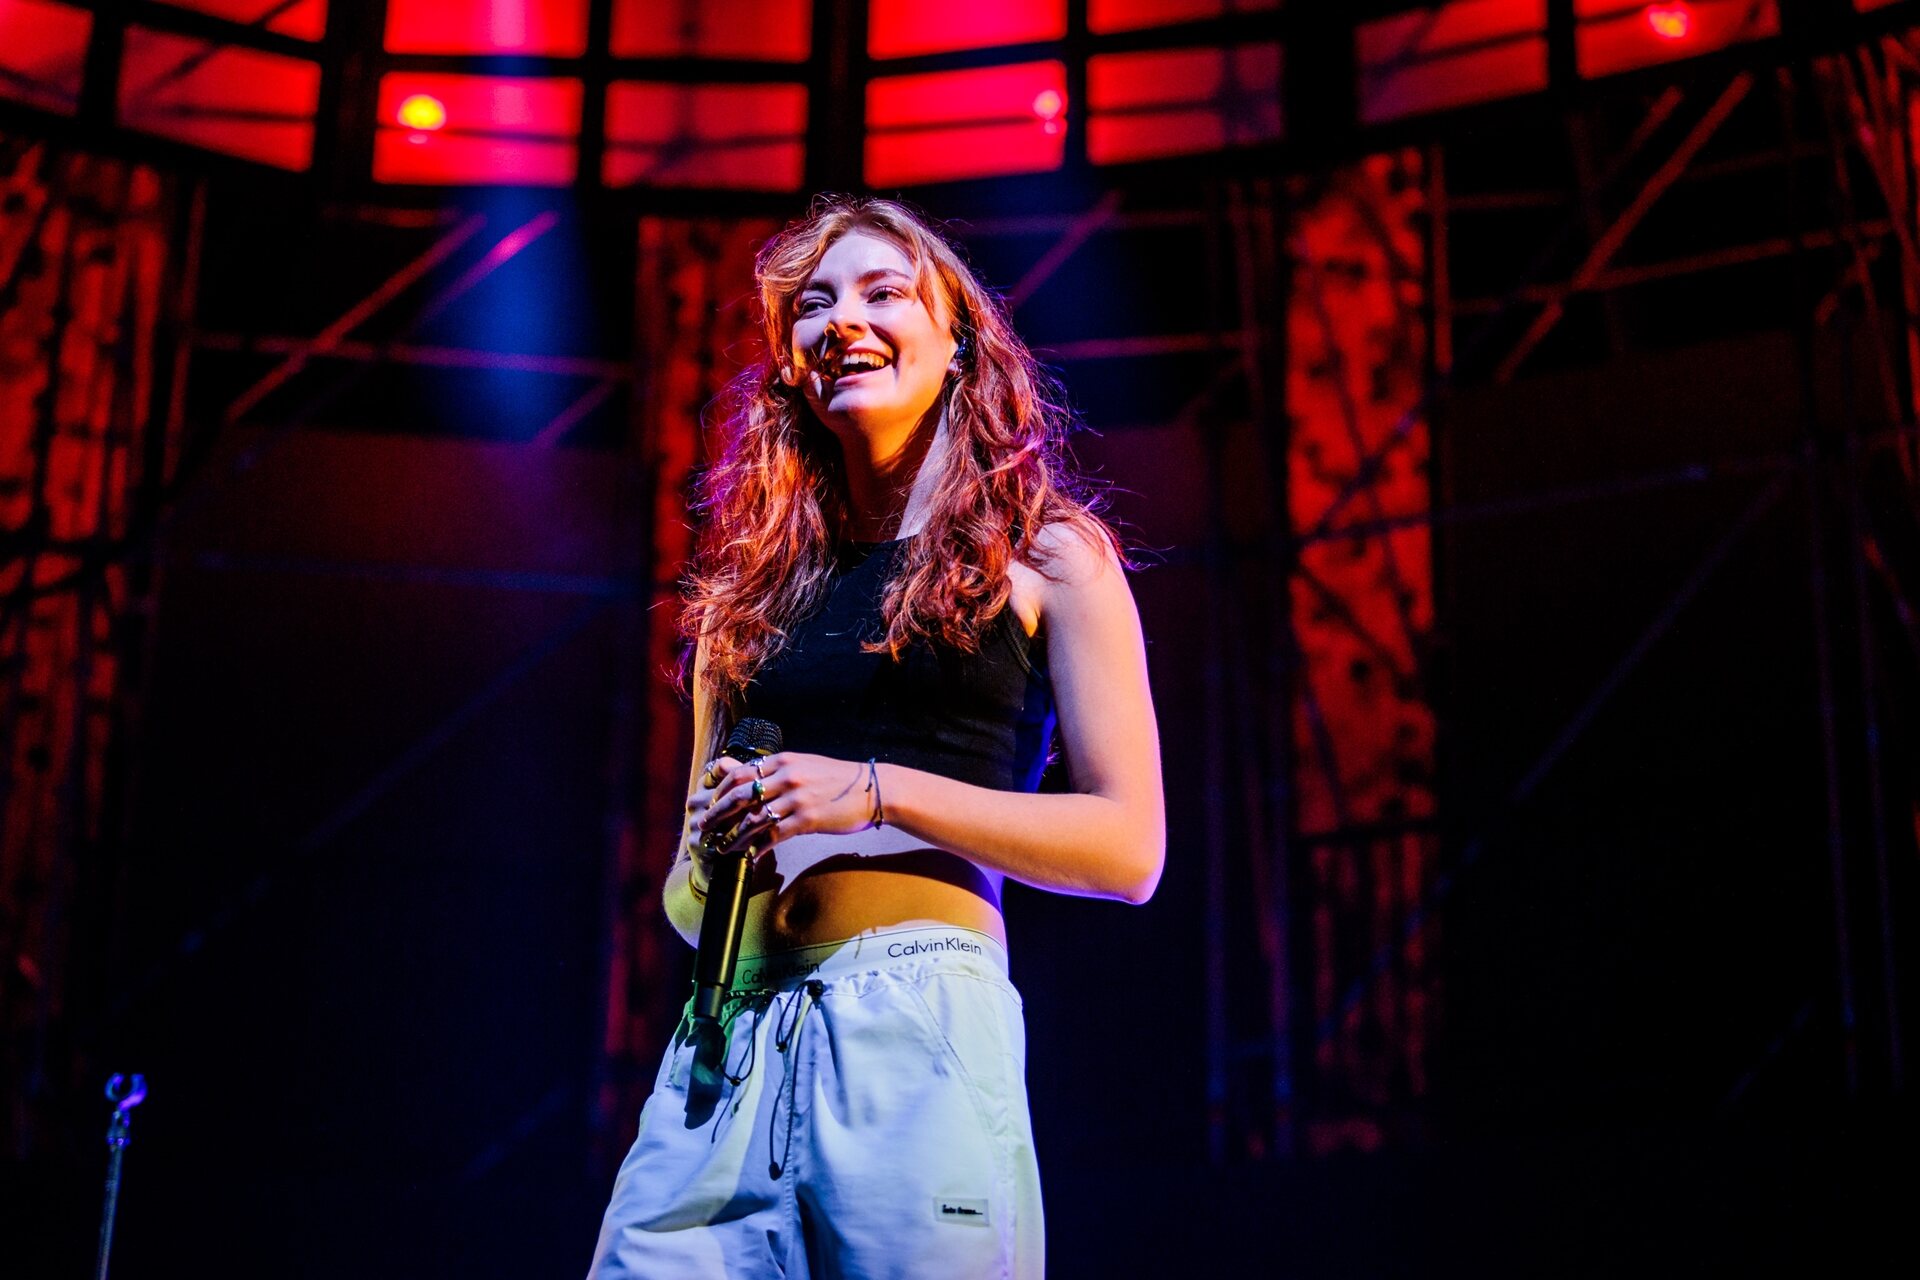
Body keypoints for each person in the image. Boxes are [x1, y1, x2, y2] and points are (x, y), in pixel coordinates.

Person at [586, 195, 1164, 1279]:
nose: (841, 319)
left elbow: (1130, 850)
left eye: (883, 292)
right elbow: (682, 899)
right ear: (789, 364)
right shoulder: (741, 603)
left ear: (958, 341)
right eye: (812, 305)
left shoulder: (1048, 557)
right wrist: (710, 859)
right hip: (726, 1038)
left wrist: (875, 791)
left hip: (916, 1023)